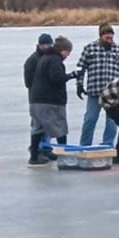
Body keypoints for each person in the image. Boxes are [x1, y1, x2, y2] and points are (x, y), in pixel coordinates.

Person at [77, 23, 119, 148]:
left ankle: (108, 144)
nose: (110, 40)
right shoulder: (89, 48)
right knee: (90, 119)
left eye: (111, 38)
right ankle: (85, 145)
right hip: (95, 92)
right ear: (100, 36)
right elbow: (81, 68)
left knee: (112, 121)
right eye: (107, 38)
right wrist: (79, 84)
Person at [25, 35, 72, 163]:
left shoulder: (43, 58)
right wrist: (71, 76)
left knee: (38, 128)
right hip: (50, 102)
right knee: (60, 128)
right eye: (67, 52)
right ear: (62, 50)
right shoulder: (54, 60)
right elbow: (56, 78)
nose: (67, 56)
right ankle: (64, 156)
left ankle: (34, 157)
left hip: (36, 100)